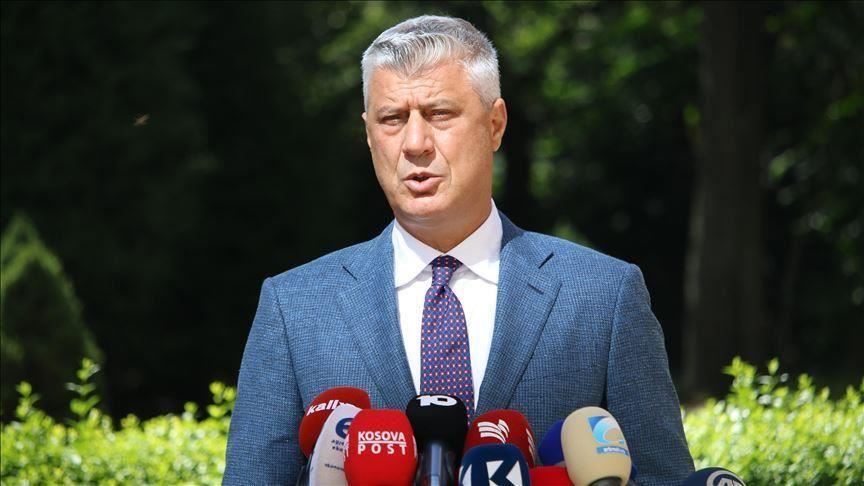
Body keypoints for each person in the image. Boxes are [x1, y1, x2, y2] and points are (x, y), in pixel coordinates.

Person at [223, 15, 693, 485]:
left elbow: (663, 477)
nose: (415, 143)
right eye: (392, 119)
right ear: (368, 133)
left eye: (439, 114)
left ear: (495, 124)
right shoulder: (295, 306)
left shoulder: (603, 295)